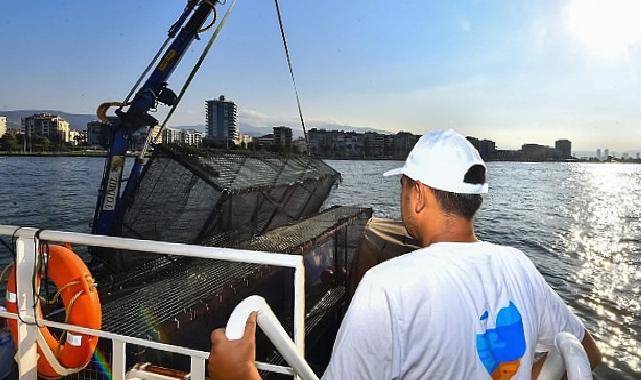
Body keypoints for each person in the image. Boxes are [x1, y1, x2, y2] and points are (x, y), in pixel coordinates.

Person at [209, 129, 601, 379]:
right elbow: (588, 353)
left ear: (417, 195)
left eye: (402, 187)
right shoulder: (520, 266)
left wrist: (239, 375)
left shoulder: (388, 287)